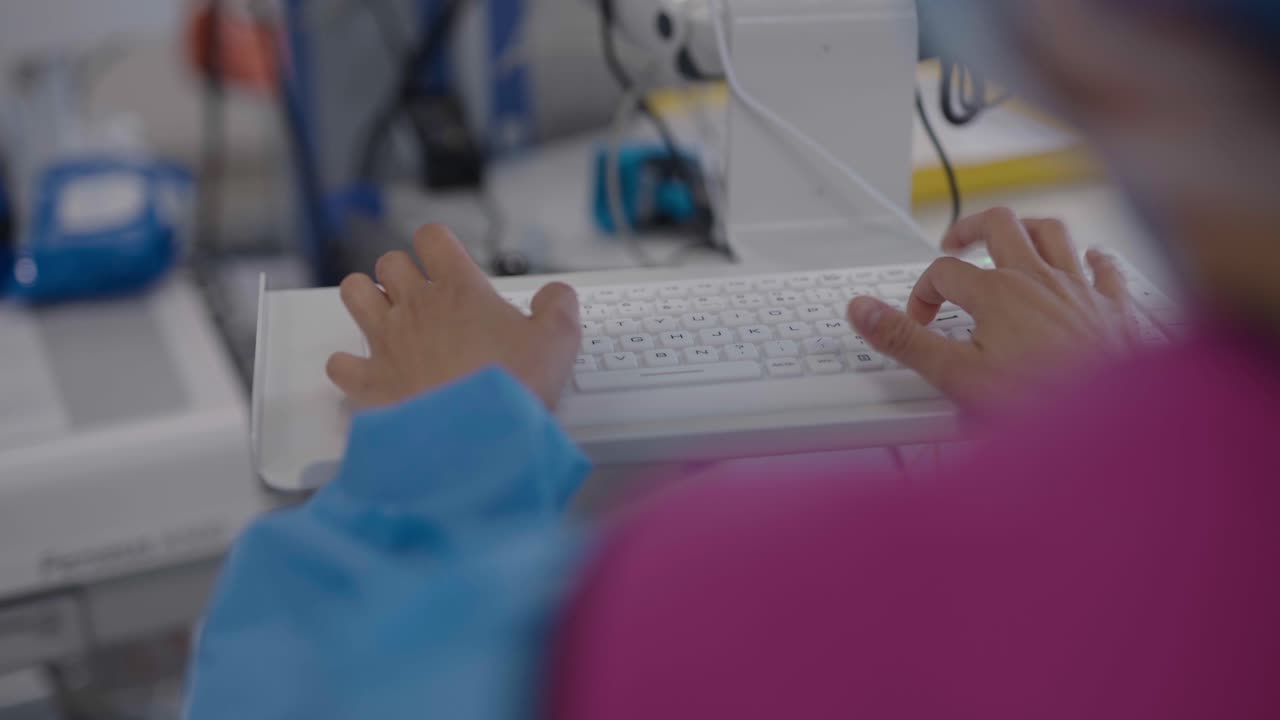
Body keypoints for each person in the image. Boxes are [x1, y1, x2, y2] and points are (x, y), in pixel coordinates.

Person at [186, 0, 1280, 717]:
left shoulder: (735, 609)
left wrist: (436, 461)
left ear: (1093, 49)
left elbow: (296, 690)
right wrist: (1097, 436)